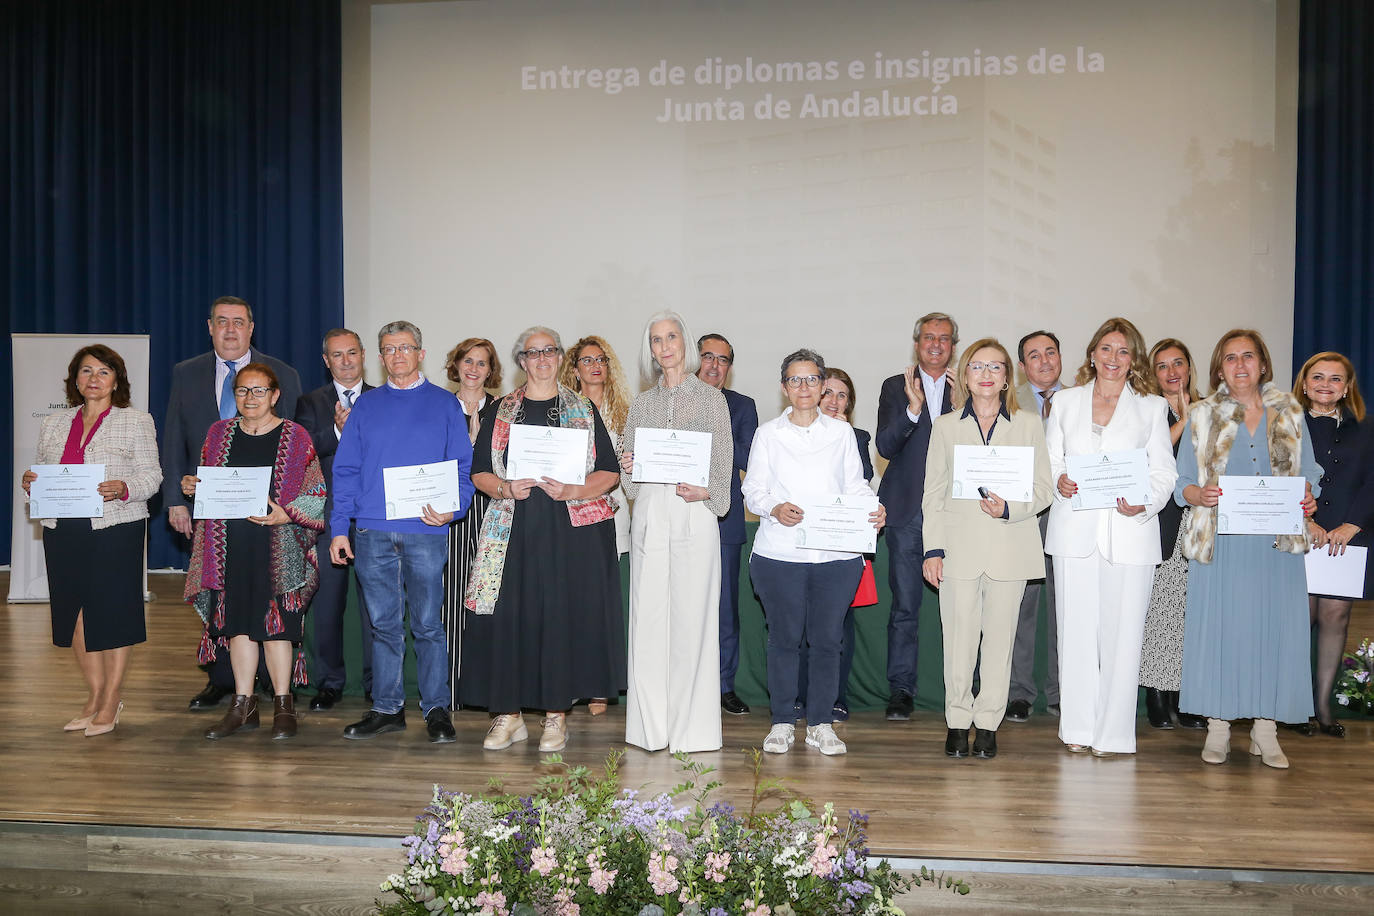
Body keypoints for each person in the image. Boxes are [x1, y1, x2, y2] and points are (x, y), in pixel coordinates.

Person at [460, 328, 626, 752]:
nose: (541, 359)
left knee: (560, 620)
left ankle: (556, 717)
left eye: (549, 351)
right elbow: (479, 472)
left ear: (559, 358)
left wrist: (573, 490)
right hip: (512, 531)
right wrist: (504, 488)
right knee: (509, 620)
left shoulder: (582, 408)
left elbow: (609, 472)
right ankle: (510, 716)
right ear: (521, 361)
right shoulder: (501, 410)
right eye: (532, 353)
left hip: (569, 534)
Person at [1177, 329, 1319, 768]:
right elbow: (1183, 478)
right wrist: (1196, 495)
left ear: (1263, 364)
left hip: (1277, 545)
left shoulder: (1290, 411)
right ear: (1220, 368)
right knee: (1223, 631)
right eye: (1231, 358)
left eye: (1249, 357)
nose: (1241, 365)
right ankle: (1218, 729)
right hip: (1222, 545)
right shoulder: (1202, 414)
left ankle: (1266, 730)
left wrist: (1308, 495)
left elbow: (1308, 469)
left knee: (1274, 632)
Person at [329, 321, 473, 744]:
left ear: (421, 353)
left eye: (405, 348)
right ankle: (387, 708)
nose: (398, 356)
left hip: (426, 531)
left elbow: (461, 469)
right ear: (380, 357)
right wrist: (340, 529)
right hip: (372, 531)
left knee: (429, 625)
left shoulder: (446, 404)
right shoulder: (367, 408)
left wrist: (452, 509)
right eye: (389, 349)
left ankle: (436, 710)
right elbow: (347, 470)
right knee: (383, 626)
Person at [162, 295, 302, 711]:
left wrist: (288, 510)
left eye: (238, 322)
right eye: (221, 322)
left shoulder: (284, 373)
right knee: (220, 593)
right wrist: (176, 498)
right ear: (209, 327)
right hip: (209, 511)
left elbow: (294, 446)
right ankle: (223, 681)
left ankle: (271, 687)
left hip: (268, 517)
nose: (229, 330)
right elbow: (173, 439)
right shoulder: (185, 373)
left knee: (265, 598)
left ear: (251, 328)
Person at [1045, 317, 1177, 757]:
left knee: (1124, 637)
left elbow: (1163, 472)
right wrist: (1060, 479)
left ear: (1133, 358)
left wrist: (1146, 502)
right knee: (1076, 634)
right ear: (1092, 354)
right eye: (1106, 349)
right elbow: (1051, 461)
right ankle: (1078, 729)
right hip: (1075, 532)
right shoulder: (1064, 402)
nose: (1114, 359)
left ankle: (1115, 734)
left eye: (1123, 351)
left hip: (1131, 533)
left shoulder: (1152, 407)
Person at [744, 348, 885, 757]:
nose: (803, 387)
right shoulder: (768, 434)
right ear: (784, 387)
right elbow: (753, 489)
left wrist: (874, 507)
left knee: (827, 642)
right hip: (779, 555)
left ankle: (821, 723)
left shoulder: (842, 434)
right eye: (795, 380)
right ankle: (782, 722)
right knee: (784, 641)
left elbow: (854, 485)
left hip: (835, 557)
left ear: (823, 385)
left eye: (811, 379)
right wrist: (774, 507)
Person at [21, 345, 162, 737]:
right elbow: (41, 477)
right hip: (63, 529)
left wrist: (125, 487)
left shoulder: (135, 421)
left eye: (103, 372)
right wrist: (30, 484)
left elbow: (152, 478)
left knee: (113, 613)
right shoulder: (53, 423)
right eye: (86, 371)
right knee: (76, 612)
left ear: (116, 380)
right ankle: (95, 694)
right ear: (75, 380)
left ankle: (113, 697)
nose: (94, 379)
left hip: (116, 528)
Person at [922, 339, 1052, 759]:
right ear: (965, 375)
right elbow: (934, 493)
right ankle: (958, 722)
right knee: (958, 643)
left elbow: (1044, 489)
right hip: (957, 550)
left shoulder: (1029, 424)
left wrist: (1011, 508)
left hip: (1010, 547)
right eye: (976, 367)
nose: (985, 375)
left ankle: (989, 724)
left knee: (999, 645)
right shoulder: (945, 426)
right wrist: (932, 549)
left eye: (995, 368)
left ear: (1006, 377)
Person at [182, 363, 326, 740]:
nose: (250, 398)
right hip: (227, 547)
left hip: (277, 547)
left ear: (275, 395)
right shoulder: (218, 434)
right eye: (243, 391)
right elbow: (209, 481)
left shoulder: (295, 437)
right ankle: (242, 705)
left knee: (277, 627)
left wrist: (286, 514)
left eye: (259, 391)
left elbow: (315, 494)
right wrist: (193, 484)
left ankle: (283, 706)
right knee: (237, 626)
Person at [620, 310, 733, 753]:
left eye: (670, 337)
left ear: (684, 343)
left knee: (692, 621)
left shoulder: (711, 400)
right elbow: (629, 482)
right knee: (647, 620)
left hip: (694, 512)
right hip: (650, 513)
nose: (664, 346)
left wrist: (706, 491)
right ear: (650, 350)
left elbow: (722, 474)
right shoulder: (641, 403)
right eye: (655, 340)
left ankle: (693, 731)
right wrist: (629, 465)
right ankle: (650, 728)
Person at [876, 312, 958, 720]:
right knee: (905, 607)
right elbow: (886, 447)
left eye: (944, 339)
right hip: (906, 510)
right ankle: (901, 690)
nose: (936, 345)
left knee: (962, 608)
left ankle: (964, 689)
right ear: (917, 343)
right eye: (929, 337)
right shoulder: (896, 386)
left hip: (957, 513)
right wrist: (912, 410)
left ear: (953, 346)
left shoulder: (968, 387)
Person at [293, 329, 375, 711]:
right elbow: (302, 452)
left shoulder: (383, 398)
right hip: (328, 520)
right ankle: (329, 681)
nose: (346, 361)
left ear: (363, 355)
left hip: (375, 515)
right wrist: (340, 429)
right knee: (327, 606)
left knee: (376, 606)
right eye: (337, 355)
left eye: (352, 353)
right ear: (326, 361)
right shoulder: (310, 402)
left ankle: (378, 683)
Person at [1292, 352, 1372, 738]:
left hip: (1348, 538)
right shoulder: (1285, 424)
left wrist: (1352, 525)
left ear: (1347, 387)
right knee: (1298, 619)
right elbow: (1278, 474)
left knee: (1335, 618)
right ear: (1304, 383)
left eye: (1335, 379)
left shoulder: (1366, 428)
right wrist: (1305, 521)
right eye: (1318, 377)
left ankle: (1322, 706)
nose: (1326, 385)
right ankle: (1292, 707)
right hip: (1299, 534)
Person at [559, 334, 632, 716]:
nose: (595, 366)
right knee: (572, 604)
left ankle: (600, 685)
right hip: (568, 515)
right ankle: (574, 681)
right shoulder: (561, 410)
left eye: (601, 359)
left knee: (603, 605)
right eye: (587, 360)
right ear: (575, 369)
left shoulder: (626, 411)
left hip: (612, 515)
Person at [795, 367, 873, 722]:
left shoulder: (857, 437)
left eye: (842, 395)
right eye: (827, 392)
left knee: (839, 624)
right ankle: (798, 696)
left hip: (840, 545)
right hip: (798, 542)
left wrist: (842, 434)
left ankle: (836, 698)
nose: (834, 400)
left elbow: (863, 484)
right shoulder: (792, 432)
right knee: (798, 624)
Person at [1138, 339, 1206, 730]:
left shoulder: (1213, 408)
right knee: (1160, 613)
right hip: (1164, 522)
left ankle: (1189, 695)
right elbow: (1152, 458)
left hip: (1203, 521)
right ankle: (1157, 698)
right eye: (1162, 366)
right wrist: (1185, 417)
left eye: (1177, 363)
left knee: (1194, 613)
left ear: (1189, 366)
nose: (1171, 372)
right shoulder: (1148, 412)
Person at [696, 332, 759, 717]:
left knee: (724, 609)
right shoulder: (672, 402)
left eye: (723, 360)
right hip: (676, 515)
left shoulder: (742, 406)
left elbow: (749, 457)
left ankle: (723, 685)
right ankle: (682, 684)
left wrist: (713, 432)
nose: (715, 366)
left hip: (724, 520)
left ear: (729, 368)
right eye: (707, 356)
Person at [440, 337, 503, 711]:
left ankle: (490, 692)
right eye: (468, 360)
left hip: (494, 514)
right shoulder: (439, 407)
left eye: (482, 363)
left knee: (489, 600)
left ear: (490, 370)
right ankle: (449, 694)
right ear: (456, 364)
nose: (474, 369)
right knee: (451, 604)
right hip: (450, 516)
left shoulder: (503, 409)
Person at [1006, 330, 1065, 723]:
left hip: (1068, 515)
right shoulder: (1008, 404)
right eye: (1033, 356)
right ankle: (1019, 693)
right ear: (1023, 368)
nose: (1043, 360)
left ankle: (1065, 691)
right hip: (1024, 518)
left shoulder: (1083, 401)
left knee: (1068, 609)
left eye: (1050, 352)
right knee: (1021, 607)